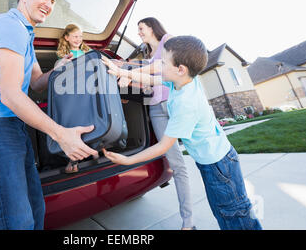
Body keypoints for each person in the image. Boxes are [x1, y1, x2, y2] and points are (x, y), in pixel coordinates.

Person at [0, 0, 98, 230]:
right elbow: (9, 95)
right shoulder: (10, 26)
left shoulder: (25, 34)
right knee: (14, 221)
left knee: (34, 209)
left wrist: (63, 68)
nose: (49, 4)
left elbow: (36, 83)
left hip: (9, 125)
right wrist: (61, 135)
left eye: (53, 0)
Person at [101, 36, 262, 230]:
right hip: (214, 161)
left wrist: (128, 160)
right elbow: (151, 79)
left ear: (180, 69)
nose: (159, 64)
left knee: (234, 213)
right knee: (225, 211)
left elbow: (164, 145)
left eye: (163, 62)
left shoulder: (186, 104)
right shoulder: (180, 81)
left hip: (219, 166)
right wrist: (120, 71)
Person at [118, 17, 195, 230]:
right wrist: (131, 82)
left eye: (141, 28)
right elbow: (149, 78)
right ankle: (188, 223)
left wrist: (130, 73)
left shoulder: (168, 42)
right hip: (156, 109)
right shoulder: (148, 56)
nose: (139, 32)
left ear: (152, 27)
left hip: (175, 103)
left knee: (202, 153)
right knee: (177, 163)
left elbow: (172, 70)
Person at [55, 23, 97, 173]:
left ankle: (97, 150)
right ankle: (74, 160)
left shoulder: (88, 52)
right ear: (66, 38)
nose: (78, 39)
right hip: (74, 94)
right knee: (76, 124)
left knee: (93, 121)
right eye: (75, 36)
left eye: (80, 36)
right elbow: (60, 73)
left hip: (89, 92)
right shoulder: (63, 56)